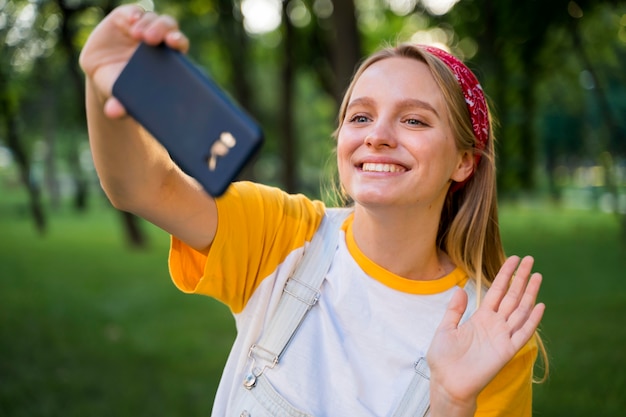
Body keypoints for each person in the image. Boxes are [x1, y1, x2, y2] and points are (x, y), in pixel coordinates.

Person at [79, 4, 546, 417]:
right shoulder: (285, 233)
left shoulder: (493, 332)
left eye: (414, 120)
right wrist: (106, 88)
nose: (376, 135)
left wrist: (452, 402)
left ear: (464, 160)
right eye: (360, 116)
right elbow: (146, 188)